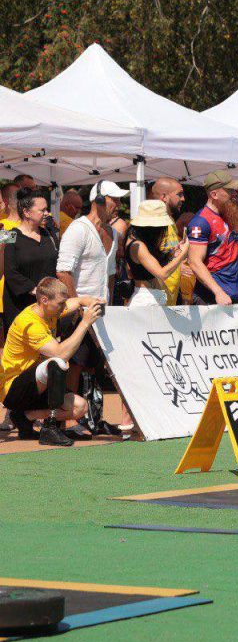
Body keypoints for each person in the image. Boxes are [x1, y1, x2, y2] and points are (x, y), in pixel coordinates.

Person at [56, 181, 123, 437]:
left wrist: (110, 306)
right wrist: (76, 306)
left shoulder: (113, 233)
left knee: (96, 365)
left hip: (101, 311)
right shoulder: (78, 229)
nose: (117, 205)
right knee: (74, 364)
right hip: (77, 311)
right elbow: (63, 270)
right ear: (98, 200)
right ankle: (69, 421)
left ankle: (95, 418)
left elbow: (110, 276)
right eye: (113, 200)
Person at [1, 277, 103, 446]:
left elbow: (76, 301)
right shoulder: (29, 322)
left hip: (38, 386)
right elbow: (60, 354)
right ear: (44, 300)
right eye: (60, 304)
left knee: (80, 407)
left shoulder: (51, 309)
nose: (64, 308)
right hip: (14, 389)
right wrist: (85, 322)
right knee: (56, 363)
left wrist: (91, 301)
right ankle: (50, 429)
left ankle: (25, 417)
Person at [187, 170, 238, 305]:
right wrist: (218, 292)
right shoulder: (201, 222)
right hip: (211, 298)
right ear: (214, 194)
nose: (235, 194)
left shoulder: (229, 216)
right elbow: (195, 262)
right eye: (229, 190)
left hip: (235, 295)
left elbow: (236, 256)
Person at [3, 189, 59, 329]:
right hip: (21, 306)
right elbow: (10, 272)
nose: (47, 213)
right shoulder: (9, 235)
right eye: (42, 210)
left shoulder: (49, 235)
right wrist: (35, 290)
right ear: (26, 212)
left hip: (47, 306)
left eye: (47, 209)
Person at [124, 201, 189, 307]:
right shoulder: (138, 246)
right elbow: (162, 274)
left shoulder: (139, 243)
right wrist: (183, 254)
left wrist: (172, 254)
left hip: (150, 297)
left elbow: (150, 264)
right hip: (146, 299)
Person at [148, 178, 187, 305]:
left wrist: (177, 254)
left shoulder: (169, 220)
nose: (183, 199)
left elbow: (163, 254)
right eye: (179, 194)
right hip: (156, 302)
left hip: (170, 299)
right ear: (164, 197)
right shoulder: (152, 222)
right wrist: (184, 252)